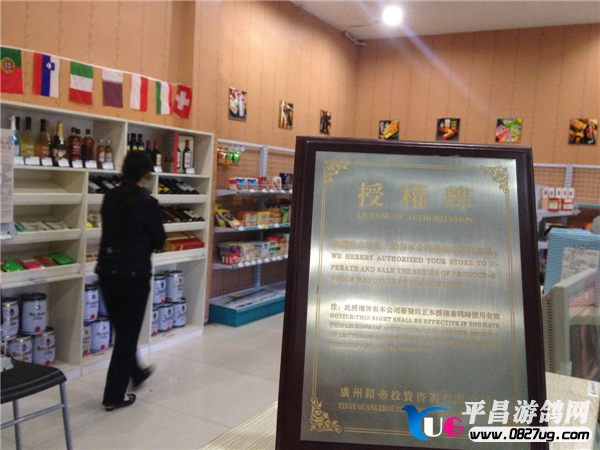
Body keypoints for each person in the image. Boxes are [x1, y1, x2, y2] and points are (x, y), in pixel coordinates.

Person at [95, 151, 166, 411]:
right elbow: (159, 240)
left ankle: (136, 372)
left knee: (123, 330)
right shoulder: (147, 202)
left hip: (107, 273)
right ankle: (114, 395)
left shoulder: (109, 197)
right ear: (146, 175)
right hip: (134, 277)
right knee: (127, 335)